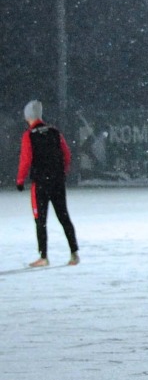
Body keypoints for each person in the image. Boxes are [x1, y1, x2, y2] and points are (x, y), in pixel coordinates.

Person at [16, 100, 80, 268]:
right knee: (63, 216)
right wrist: (62, 172)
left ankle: (43, 256)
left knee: (40, 220)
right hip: (57, 181)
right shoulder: (54, 132)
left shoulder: (29, 135)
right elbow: (66, 154)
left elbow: (26, 159)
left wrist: (20, 180)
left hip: (40, 183)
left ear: (28, 116)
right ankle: (74, 253)